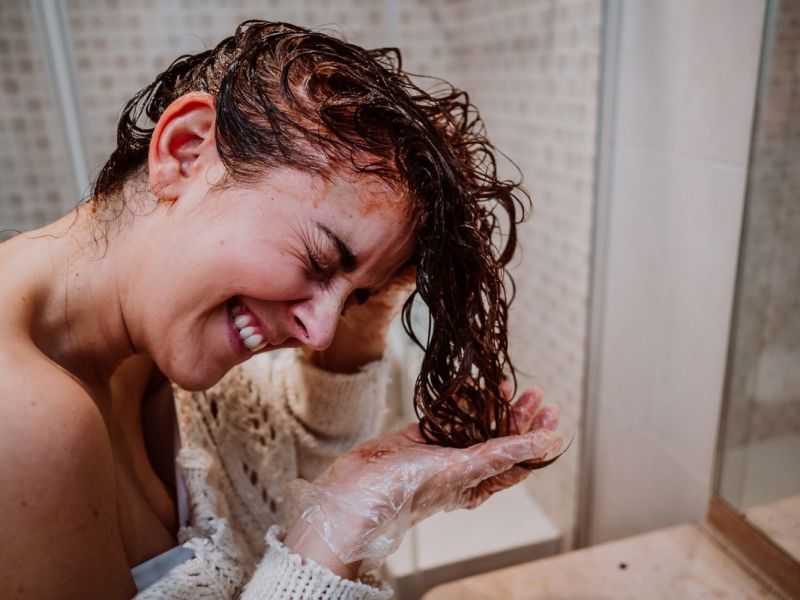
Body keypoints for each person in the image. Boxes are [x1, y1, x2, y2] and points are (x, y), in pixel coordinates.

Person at [0, 21, 562, 599]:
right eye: (319, 260)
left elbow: (284, 456)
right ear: (186, 151)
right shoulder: (21, 418)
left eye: (355, 296)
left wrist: (368, 302)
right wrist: (335, 531)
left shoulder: (149, 340)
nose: (320, 334)